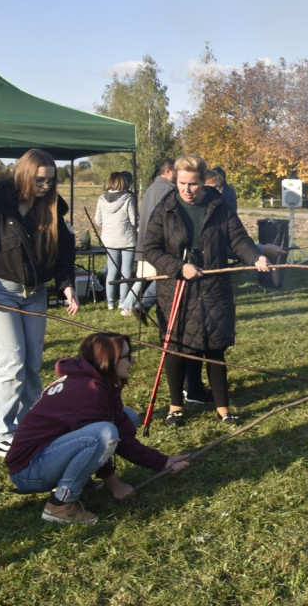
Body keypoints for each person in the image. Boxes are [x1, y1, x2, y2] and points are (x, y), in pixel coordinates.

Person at [5, 332, 190, 524]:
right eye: (127, 356)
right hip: (29, 471)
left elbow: (124, 440)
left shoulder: (100, 382)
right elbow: (104, 440)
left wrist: (163, 462)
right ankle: (60, 505)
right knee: (103, 433)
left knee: (127, 417)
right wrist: (115, 485)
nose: (133, 360)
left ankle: (79, 480)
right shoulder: (89, 391)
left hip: (46, 457)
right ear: (109, 360)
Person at [144, 154, 271, 426]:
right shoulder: (165, 208)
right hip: (176, 287)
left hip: (213, 287)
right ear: (175, 180)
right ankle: (176, 406)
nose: (187, 190)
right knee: (178, 346)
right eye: (182, 183)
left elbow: (238, 239)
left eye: (193, 184)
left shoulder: (219, 206)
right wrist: (179, 267)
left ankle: (223, 407)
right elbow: (151, 248)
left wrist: (254, 257)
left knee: (215, 347)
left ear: (204, 182)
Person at [0, 149, 80, 459]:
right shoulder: (0, 204)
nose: (45, 185)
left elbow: (65, 253)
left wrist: (67, 285)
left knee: (32, 364)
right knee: (12, 363)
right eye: (39, 179)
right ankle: (0, 431)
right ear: (23, 174)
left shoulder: (52, 208)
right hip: (1, 291)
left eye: (51, 180)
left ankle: (28, 424)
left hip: (37, 294)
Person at [121, 158, 176, 317]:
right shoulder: (167, 190)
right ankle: (130, 305)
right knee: (148, 277)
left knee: (146, 276)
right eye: (176, 172)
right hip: (155, 241)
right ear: (168, 171)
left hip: (146, 238)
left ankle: (133, 305)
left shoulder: (153, 187)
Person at [93, 171, 138, 312]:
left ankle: (110, 302)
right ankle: (123, 301)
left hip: (109, 240)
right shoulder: (128, 198)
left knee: (111, 272)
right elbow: (134, 220)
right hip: (127, 240)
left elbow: (98, 220)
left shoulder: (102, 198)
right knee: (126, 272)